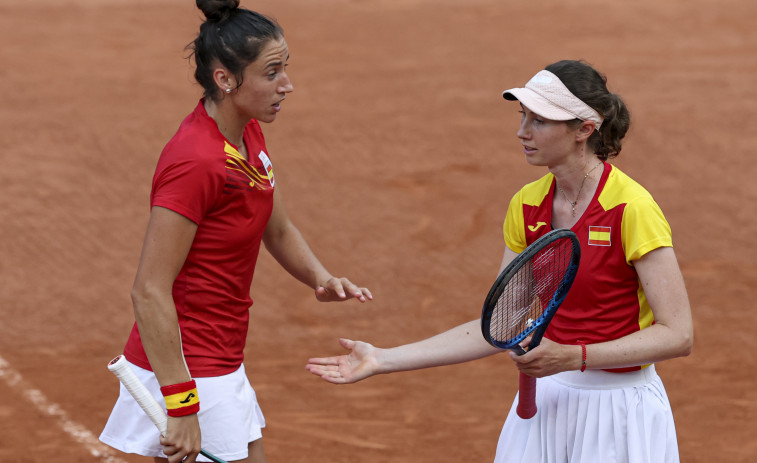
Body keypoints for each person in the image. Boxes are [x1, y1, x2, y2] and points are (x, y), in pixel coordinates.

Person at [305, 60, 693, 463]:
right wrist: (383, 358)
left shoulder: (632, 208)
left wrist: (575, 356)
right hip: (549, 401)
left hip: (619, 409)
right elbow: (501, 325)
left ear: (584, 130)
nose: (522, 131)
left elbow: (677, 334)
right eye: (523, 115)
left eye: (540, 121)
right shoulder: (526, 204)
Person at [99, 1, 372, 462]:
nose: (287, 85)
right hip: (191, 367)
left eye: (285, 68)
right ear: (225, 79)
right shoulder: (196, 161)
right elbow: (148, 290)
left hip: (221, 355)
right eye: (271, 73)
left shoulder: (244, 135)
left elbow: (277, 225)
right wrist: (181, 403)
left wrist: (320, 278)